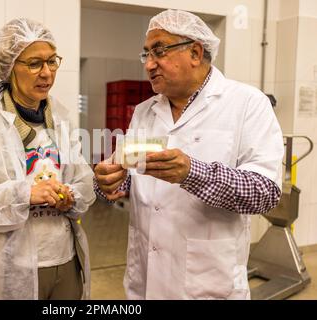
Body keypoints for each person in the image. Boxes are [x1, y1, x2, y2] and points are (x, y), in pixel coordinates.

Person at [94, 9, 284, 300]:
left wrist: (193, 173)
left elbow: (266, 192)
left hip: (208, 283)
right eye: (146, 54)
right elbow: (136, 178)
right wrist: (112, 182)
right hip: (144, 278)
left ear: (195, 52)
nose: (149, 64)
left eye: (159, 51)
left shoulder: (247, 103)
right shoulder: (145, 111)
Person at [0, 18, 95, 300]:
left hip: (64, 261)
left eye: (52, 61)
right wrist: (24, 194)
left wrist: (71, 196)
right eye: (35, 63)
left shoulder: (60, 120)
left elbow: (83, 182)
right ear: (10, 67)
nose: (47, 73)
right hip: (7, 270)